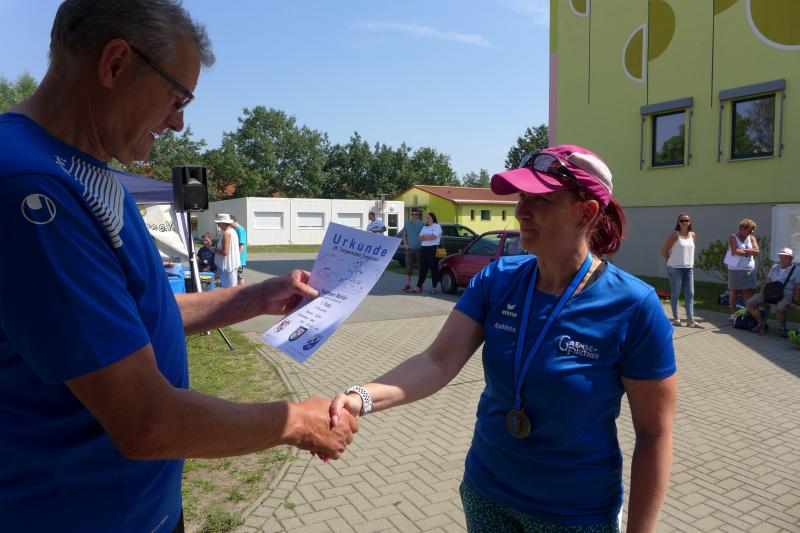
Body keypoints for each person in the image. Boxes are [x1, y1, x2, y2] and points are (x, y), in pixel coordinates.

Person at [0, 2, 358, 530]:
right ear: (116, 63)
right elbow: (147, 424)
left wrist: (254, 297)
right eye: (177, 97)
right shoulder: (34, 190)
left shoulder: (80, 170)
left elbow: (131, 320)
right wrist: (297, 422)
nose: (179, 121)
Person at [330, 145, 676, 532]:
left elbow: (654, 434)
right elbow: (437, 361)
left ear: (586, 212)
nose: (521, 211)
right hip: (487, 493)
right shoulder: (498, 279)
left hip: (575, 513)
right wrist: (360, 398)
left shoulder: (634, 306)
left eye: (540, 200)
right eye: (522, 197)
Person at [745, 247, 799, 337]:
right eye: (781, 257)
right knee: (750, 303)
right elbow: (767, 281)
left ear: (791, 259)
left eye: (785, 257)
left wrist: (795, 301)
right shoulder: (775, 267)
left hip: (785, 295)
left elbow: (798, 287)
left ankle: (783, 328)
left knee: (780, 308)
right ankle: (761, 324)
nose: (782, 259)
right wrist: (761, 293)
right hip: (770, 293)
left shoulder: (797, 270)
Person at [661, 213, 701, 328]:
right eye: (682, 220)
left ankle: (690, 320)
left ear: (690, 222)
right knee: (676, 292)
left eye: (686, 220)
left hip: (689, 268)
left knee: (690, 293)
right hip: (675, 268)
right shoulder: (675, 235)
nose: (684, 222)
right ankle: (676, 319)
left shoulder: (692, 235)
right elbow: (664, 251)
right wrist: (669, 263)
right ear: (678, 222)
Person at [724, 219, 759, 322]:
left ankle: (748, 312)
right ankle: (733, 314)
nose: (751, 233)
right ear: (742, 229)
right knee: (733, 290)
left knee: (747, 290)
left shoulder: (751, 238)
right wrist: (750, 251)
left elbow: (757, 251)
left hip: (748, 268)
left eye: (752, 231)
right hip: (736, 268)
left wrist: (743, 251)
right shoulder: (733, 237)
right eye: (749, 230)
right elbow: (735, 251)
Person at [417, 212, 443, 294]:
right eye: (426, 218)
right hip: (423, 249)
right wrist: (428, 237)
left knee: (433, 269)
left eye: (428, 217)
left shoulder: (437, 226)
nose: (427, 219)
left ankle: (434, 288)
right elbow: (420, 237)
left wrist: (425, 237)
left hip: (433, 249)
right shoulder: (424, 227)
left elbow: (434, 236)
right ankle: (418, 286)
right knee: (423, 269)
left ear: (432, 218)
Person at [399, 209, 425, 292]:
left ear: (418, 215)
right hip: (410, 249)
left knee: (421, 268)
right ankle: (407, 284)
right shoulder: (407, 223)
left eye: (415, 214)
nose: (414, 215)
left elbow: (425, 235)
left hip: (419, 249)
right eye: (412, 214)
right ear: (410, 215)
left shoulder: (422, 224)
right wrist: (405, 244)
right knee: (408, 267)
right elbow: (404, 235)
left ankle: (419, 285)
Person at [213, 213, 241, 288]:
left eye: (218, 223)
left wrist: (214, 250)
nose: (218, 225)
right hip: (230, 266)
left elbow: (225, 252)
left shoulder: (227, 233)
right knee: (230, 287)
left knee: (228, 289)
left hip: (227, 267)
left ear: (223, 223)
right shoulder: (233, 231)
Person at [231, 214, 247, 285]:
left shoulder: (240, 230)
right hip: (237, 257)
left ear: (232, 221)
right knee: (237, 275)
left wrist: (237, 257)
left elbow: (242, 244)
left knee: (239, 275)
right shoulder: (237, 230)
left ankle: (241, 289)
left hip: (239, 258)